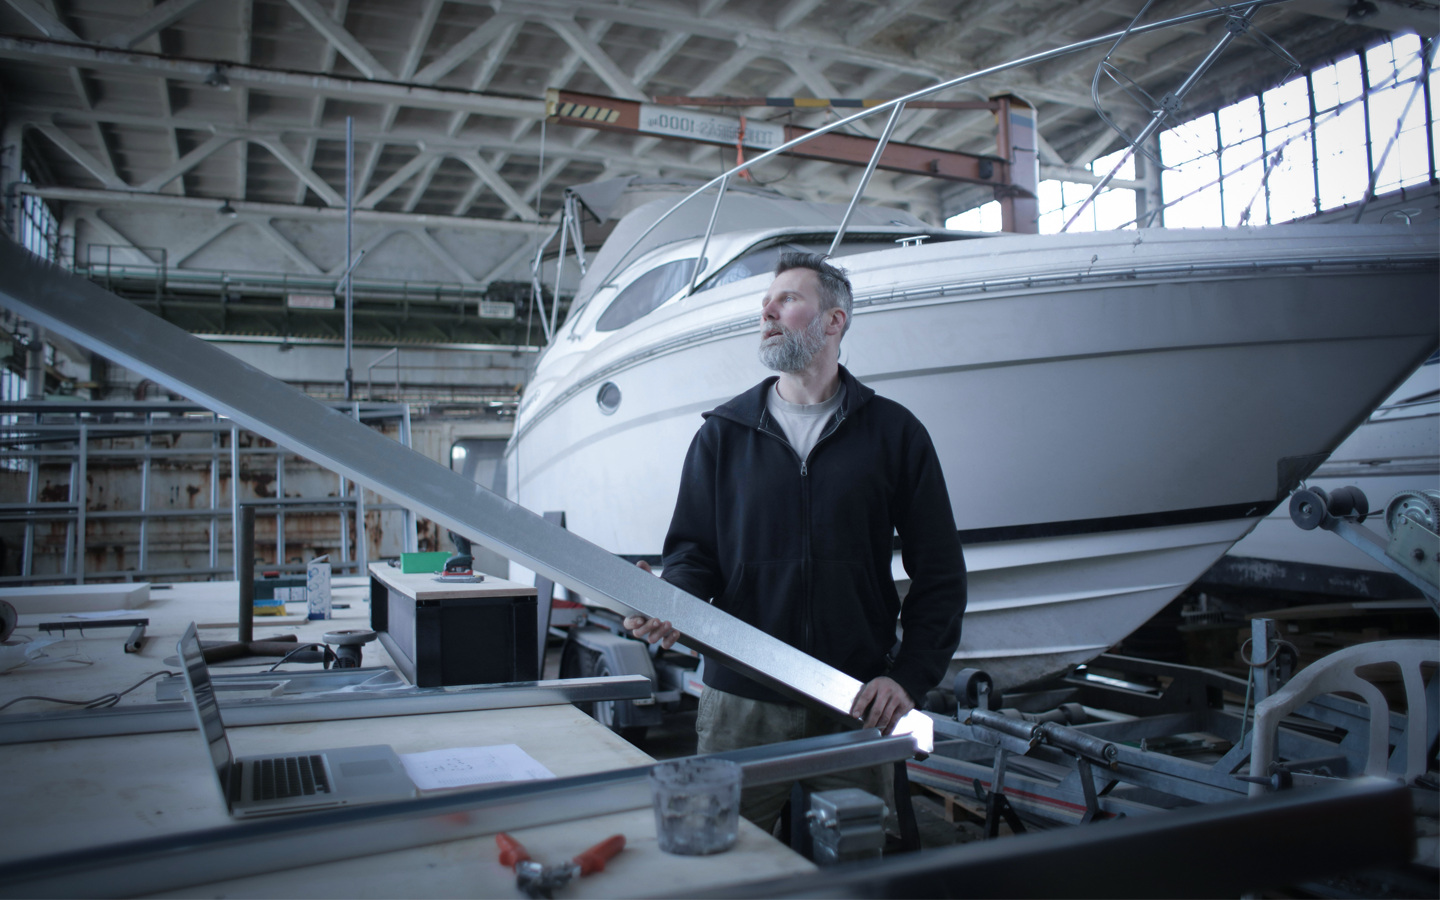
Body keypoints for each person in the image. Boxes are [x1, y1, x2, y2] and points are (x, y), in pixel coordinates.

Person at [625, 251, 966, 832]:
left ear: (834, 321)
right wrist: (671, 602)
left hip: (852, 699)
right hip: (741, 701)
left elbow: (940, 571)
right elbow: (692, 553)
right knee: (726, 861)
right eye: (766, 302)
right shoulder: (723, 435)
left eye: (787, 299)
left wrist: (907, 676)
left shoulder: (894, 434)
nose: (768, 311)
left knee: (858, 865)